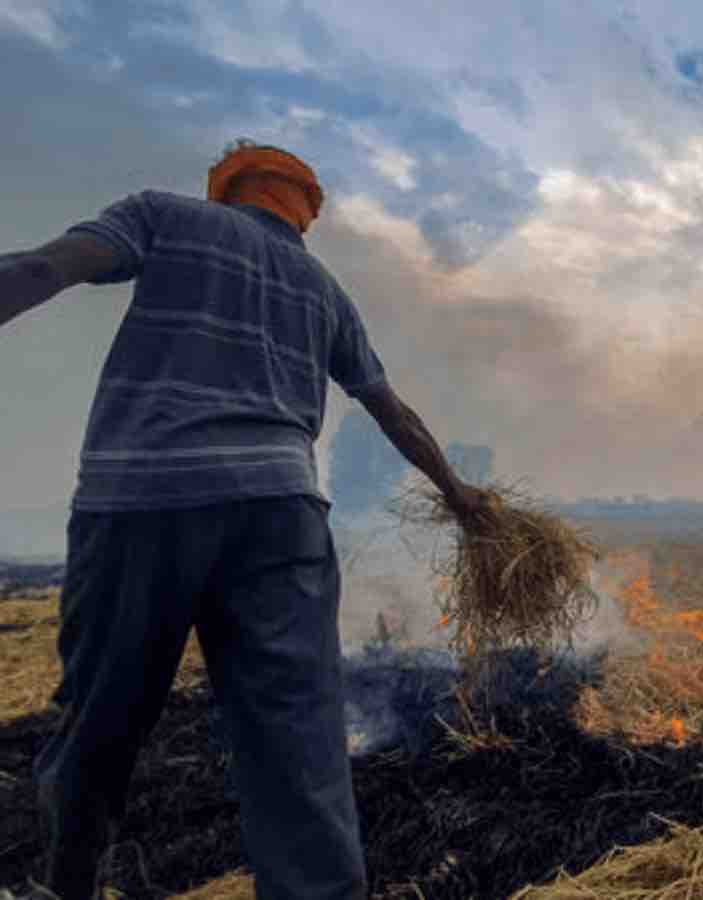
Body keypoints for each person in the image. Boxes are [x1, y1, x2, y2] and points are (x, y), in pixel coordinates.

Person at [0, 140, 491, 899]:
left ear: (227, 191)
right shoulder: (322, 288)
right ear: (304, 212)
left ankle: (67, 888)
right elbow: (394, 413)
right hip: (283, 517)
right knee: (300, 745)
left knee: (100, 724)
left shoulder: (164, 216)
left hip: (146, 504)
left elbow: (47, 267)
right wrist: (461, 497)